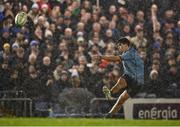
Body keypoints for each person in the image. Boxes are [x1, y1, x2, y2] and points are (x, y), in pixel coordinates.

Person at [100, 37, 144, 117]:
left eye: (120, 45)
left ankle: (110, 112)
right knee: (121, 81)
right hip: (129, 76)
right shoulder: (126, 53)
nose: (118, 47)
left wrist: (102, 57)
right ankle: (110, 98)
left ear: (126, 45)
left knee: (121, 100)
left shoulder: (130, 53)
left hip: (137, 82)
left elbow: (116, 58)